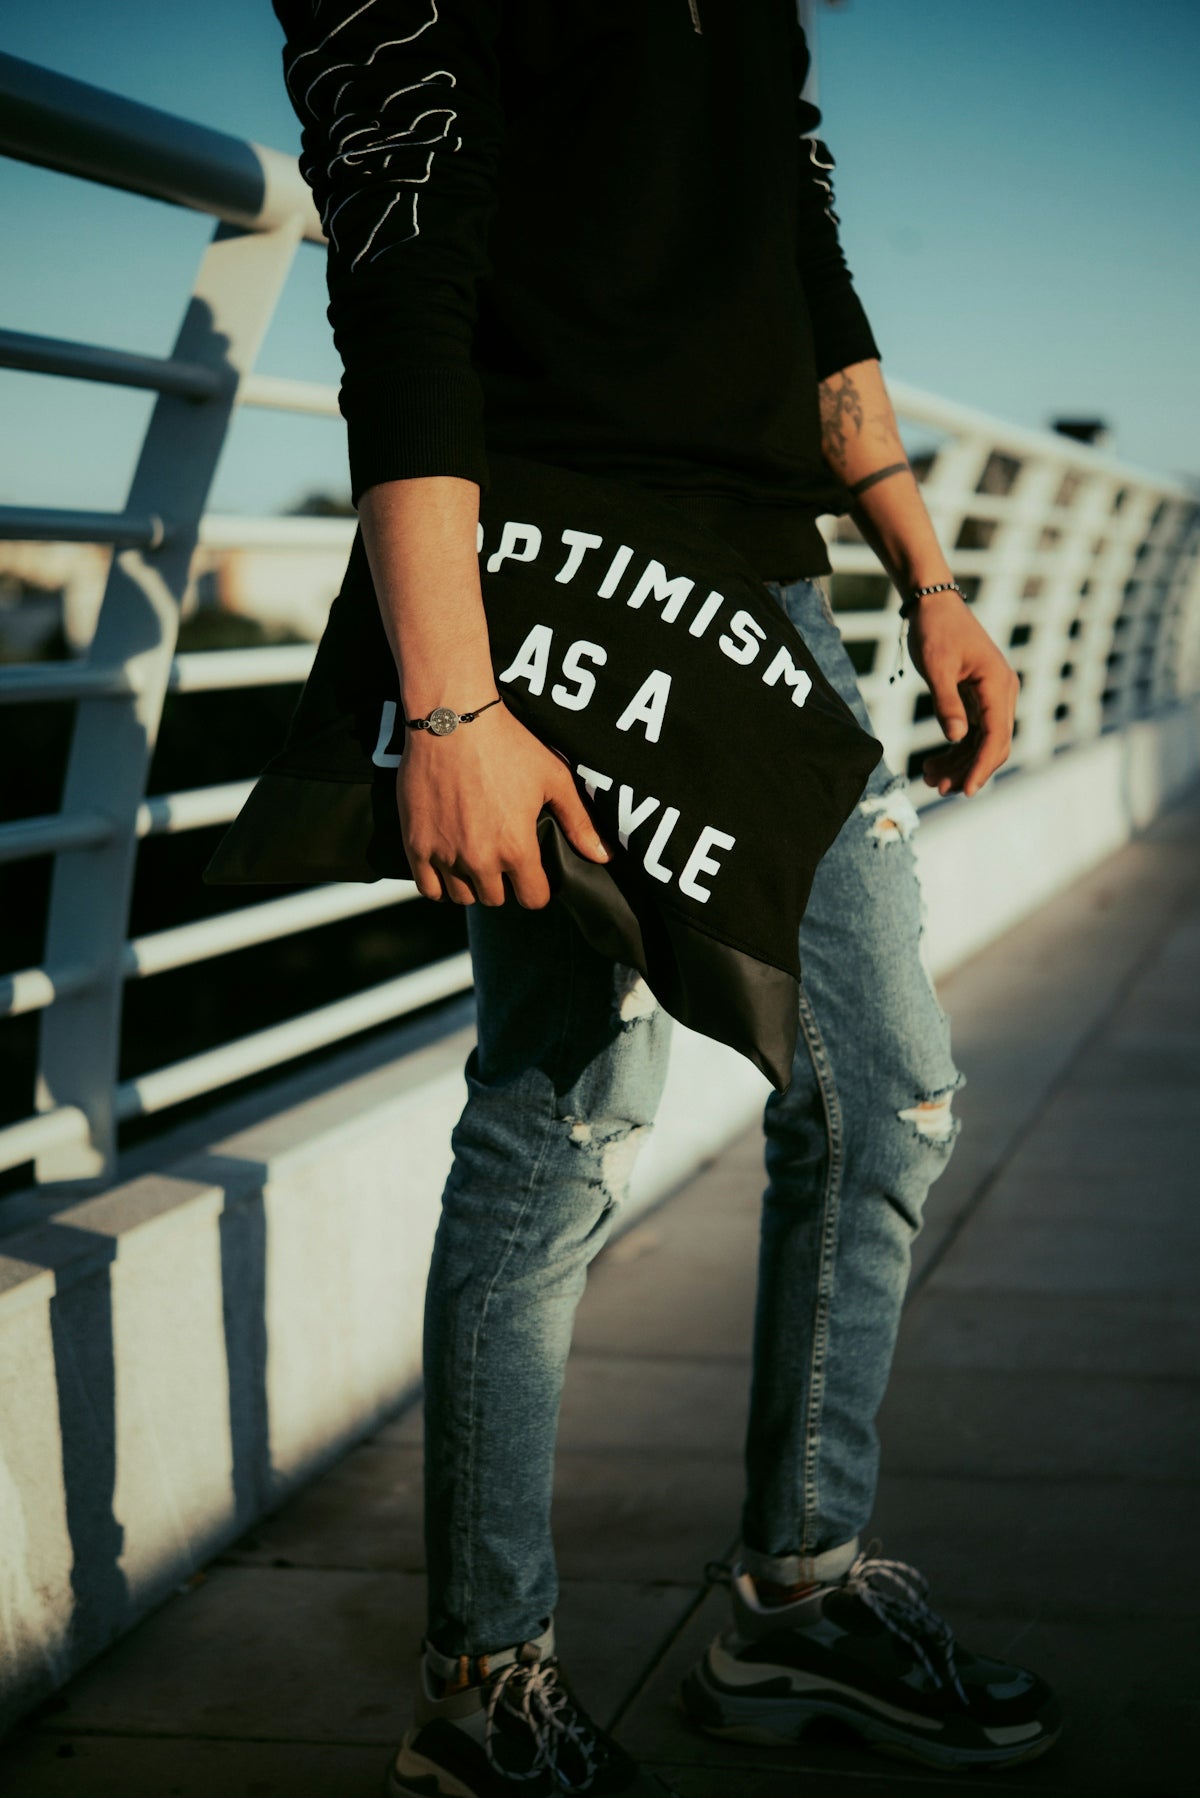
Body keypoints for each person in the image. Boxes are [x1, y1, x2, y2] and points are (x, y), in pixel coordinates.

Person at [273, 4, 1059, 1791]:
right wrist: (453, 702)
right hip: (547, 567)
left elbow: (801, 256)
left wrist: (923, 574)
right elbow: (398, 283)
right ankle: (487, 1683)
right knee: (563, 1114)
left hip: (764, 587)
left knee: (888, 1095)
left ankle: (795, 1595)